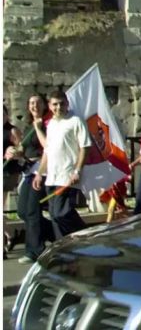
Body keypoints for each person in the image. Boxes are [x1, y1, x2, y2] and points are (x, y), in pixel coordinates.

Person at [31, 91, 90, 240]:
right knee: (55, 218)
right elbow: (48, 150)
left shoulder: (76, 120)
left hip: (67, 175)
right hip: (52, 176)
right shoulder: (51, 124)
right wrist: (39, 173)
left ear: (67, 104)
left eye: (62, 103)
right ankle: (65, 249)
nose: (59, 107)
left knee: (61, 212)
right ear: (50, 106)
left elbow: (85, 147)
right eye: (55, 104)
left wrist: (77, 170)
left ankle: (87, 235)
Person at [13, 95, 49, 263]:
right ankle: (56, 234)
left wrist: (40, 128)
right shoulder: (28, 127)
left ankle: (34, 250)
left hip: (41, 170)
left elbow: (48, 147)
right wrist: (14, 152)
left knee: (32, 211)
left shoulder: (48, 124)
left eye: (38, 103)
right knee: (22, 211)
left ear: (44, 105)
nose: (34, 105)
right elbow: (23, 149)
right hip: (28, 171)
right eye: (31, 103)